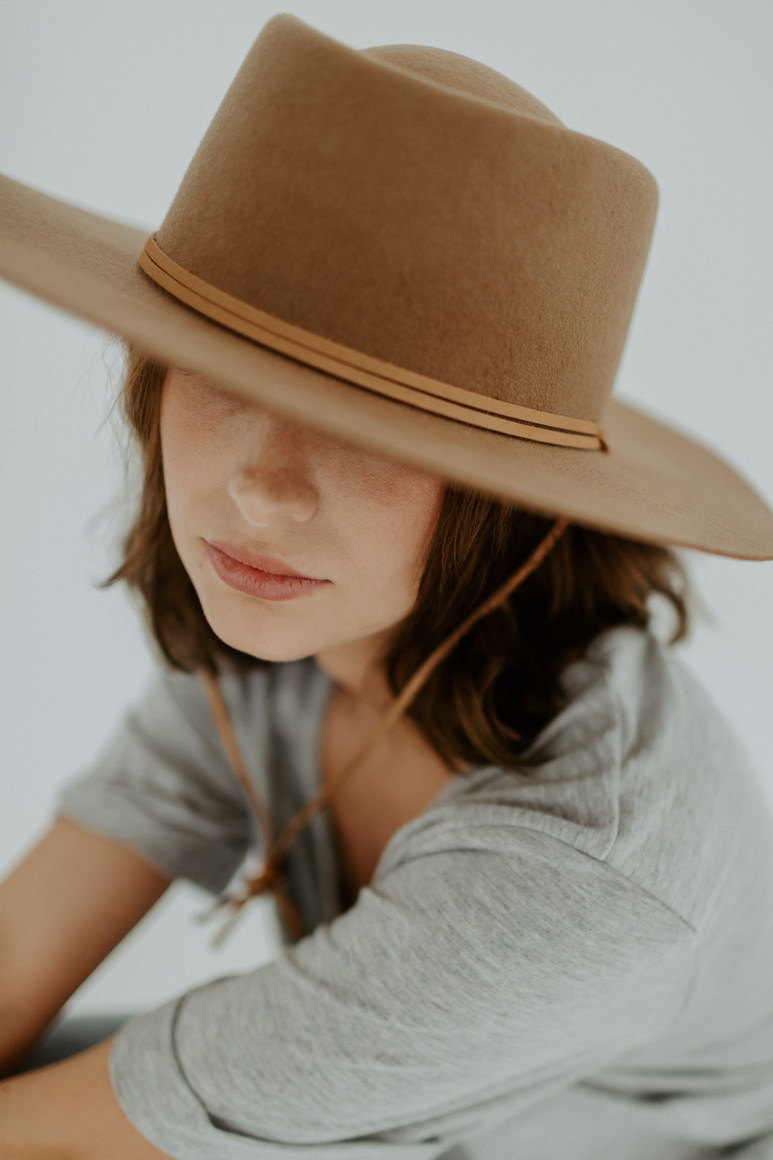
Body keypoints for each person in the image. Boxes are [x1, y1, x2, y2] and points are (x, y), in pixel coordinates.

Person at [1, 13, 773, 1160]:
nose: (258, 492)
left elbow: (116, 1113)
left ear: (502, 491)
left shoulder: (582, 866)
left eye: (369, 431)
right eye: (218, 377)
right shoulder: (293, 646)